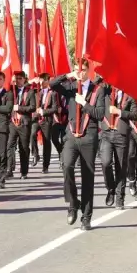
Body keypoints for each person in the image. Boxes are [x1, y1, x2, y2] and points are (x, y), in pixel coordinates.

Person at [50, 59, 106, 230]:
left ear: (88, 71)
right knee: (66, 166)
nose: (79, 73)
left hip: (88, 137)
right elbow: (52, 84)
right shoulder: (71, 86)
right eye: (76, 69)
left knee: (87, 177)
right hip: (71, 136)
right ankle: (73, 203)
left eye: (82, 70)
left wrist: (85, 104)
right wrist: (68, 75)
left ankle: (86, 217)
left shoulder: (97, 90)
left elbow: (99, 113)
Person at [98, 83, 137, 210]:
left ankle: (120, 199)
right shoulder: (105, 91)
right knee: (105, 162)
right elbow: (97, 82)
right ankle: (111, 188)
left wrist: (120, 112)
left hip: (121, 134)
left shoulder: (130, 95)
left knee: (121, 167)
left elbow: (135, 115)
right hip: (106, 133)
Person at [31, 74, 61, 174]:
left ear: (48, 81)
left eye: (43, 80)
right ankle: (35, 154)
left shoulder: (53, 93)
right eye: (40, 80)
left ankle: (45, 165)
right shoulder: (37, 92)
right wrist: (32, 81)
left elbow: (54, 108)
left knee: (46, 142)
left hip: (47, 120)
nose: (41, 82)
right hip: (36, 119)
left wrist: (44, 112)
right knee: (32, 134)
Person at [8, 71, 36, 179]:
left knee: (23, 147)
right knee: (10, 145)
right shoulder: (12, 90)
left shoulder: (30, 91)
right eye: (16, 78)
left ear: (24, 79)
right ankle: (10, 169)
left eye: (20, 78)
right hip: (12, 122)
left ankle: (24, 172)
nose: (18, 80)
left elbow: (32, 107)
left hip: (24, 123)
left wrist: (19, 108)